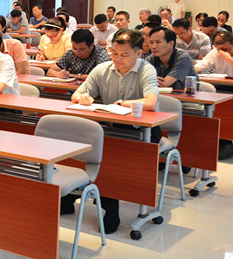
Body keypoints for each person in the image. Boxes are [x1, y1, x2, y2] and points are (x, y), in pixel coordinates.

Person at [71, 29, 160, 233]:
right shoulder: (102, 69)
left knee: (111, 159)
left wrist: (123, 103)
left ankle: (110, 208)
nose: (117, 59)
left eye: (124, 54)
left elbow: (152, 102)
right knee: (82, 145)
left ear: (138, 53)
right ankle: (69, 197)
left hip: (142, 130)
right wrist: (82, 98)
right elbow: (77, 94)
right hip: (111, 126)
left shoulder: (146, 69)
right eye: (114, 53)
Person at [145, 26, 197, 90]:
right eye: (151, 42)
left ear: (171, 44)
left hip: (186, 95)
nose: (153, 46)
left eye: (158, 42)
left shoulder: (183, 58)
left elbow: (164, 83)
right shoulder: (151, 59)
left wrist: (149, 81)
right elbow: (139, 80)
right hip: (160, 94)